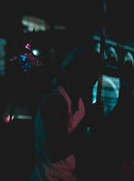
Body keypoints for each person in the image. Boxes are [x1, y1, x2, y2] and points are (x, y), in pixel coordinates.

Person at [30, 45, 104, 181]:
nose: (93, 81)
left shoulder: (81, 104)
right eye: (90, 73)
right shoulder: (55, 102)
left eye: (95, 75)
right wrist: (87, 121)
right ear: (75, 72)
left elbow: (79, 143)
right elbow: (59, 150)